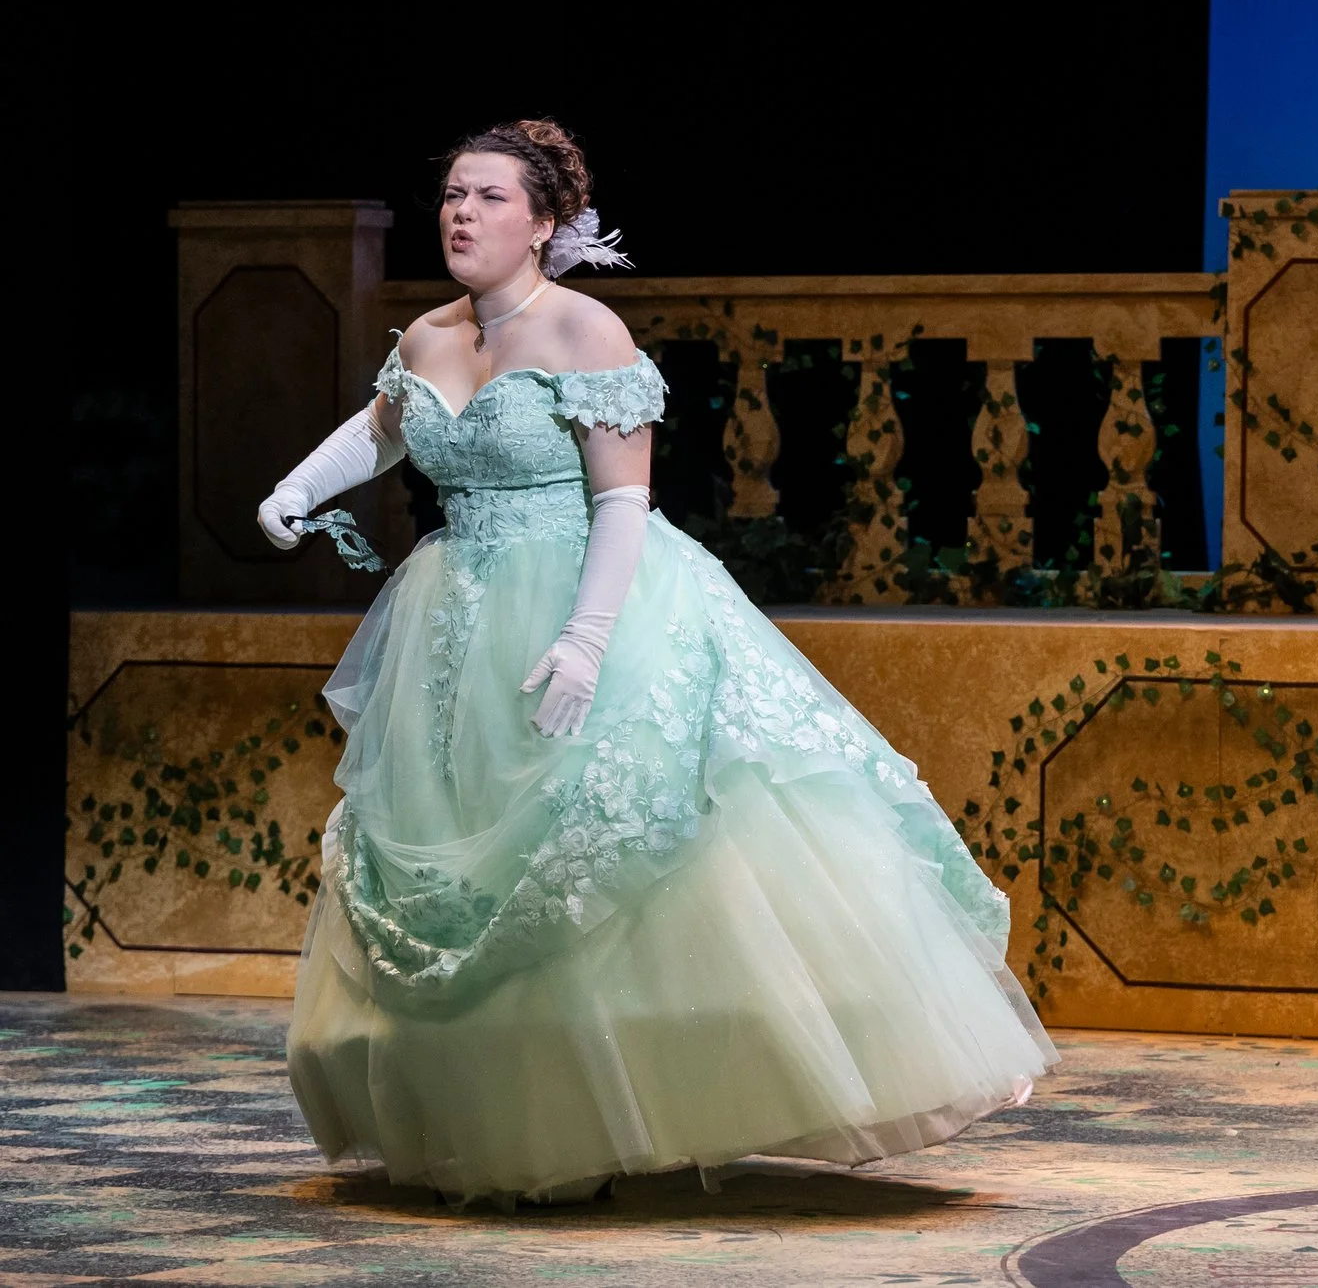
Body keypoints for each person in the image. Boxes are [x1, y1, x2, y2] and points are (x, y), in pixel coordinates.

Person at [265, 120, 1056, 1204]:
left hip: (588, 588)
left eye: (490, 197)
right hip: (457, 617)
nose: (462, 213)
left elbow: (623, 500)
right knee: (465, 852)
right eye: (452, 194)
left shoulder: (584, 329)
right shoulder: (430, 334)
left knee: (603, 844)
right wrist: (300, 487)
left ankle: (609, 1120)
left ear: (543, 222)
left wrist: (588, 637)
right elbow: (383, 427)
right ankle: (496, 1117)